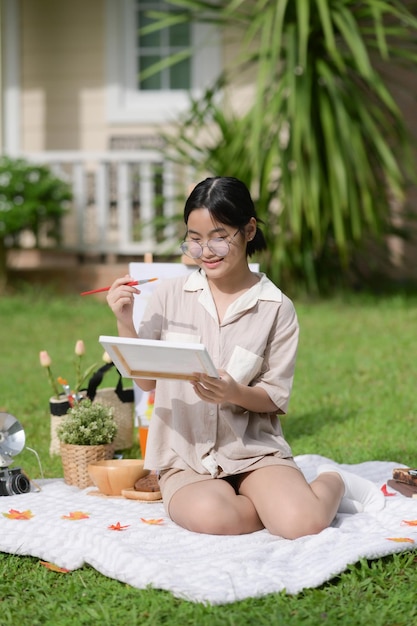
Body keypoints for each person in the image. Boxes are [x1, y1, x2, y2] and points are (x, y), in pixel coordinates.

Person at [107, 176, 384, 539]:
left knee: (304, 524)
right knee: (215, 517)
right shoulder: (168, 295)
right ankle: (278, 505)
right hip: (184, 457)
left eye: (219, 236)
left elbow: (273, 396)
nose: (206, 250)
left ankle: (333, 483)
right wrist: (124, 320)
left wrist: (232, 392)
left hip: (254, 453)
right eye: (195, 238)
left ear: (249, 230)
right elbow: (145, 381)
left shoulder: (276, 308)